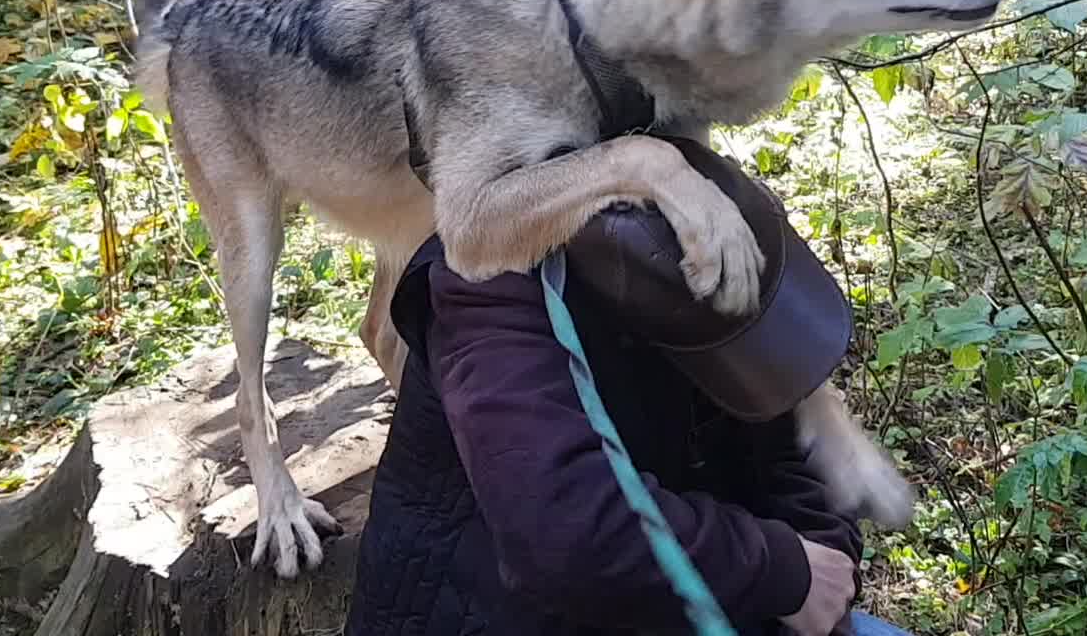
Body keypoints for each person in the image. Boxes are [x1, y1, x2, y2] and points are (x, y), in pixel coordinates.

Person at [345, 138, 913, 636]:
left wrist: (818, 568)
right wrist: (782, 570)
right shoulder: (489, 278)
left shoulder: (707, 221)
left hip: (696, 602)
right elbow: (561, 529)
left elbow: (785, 425)